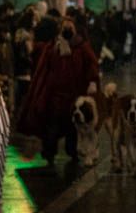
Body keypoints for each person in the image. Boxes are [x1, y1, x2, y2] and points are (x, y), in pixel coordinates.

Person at [18, 16, 100, 162]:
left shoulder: (81, 46)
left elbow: (91, 64)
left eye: (70, 27)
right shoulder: (52, 47)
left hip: (75, 94)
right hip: (56, 95)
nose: (67, 30)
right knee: (52, 126)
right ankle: (49, 152)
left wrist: (92, 81)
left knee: (72, 127)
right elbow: (44, 68)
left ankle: (73, 151)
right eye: (65, 28)